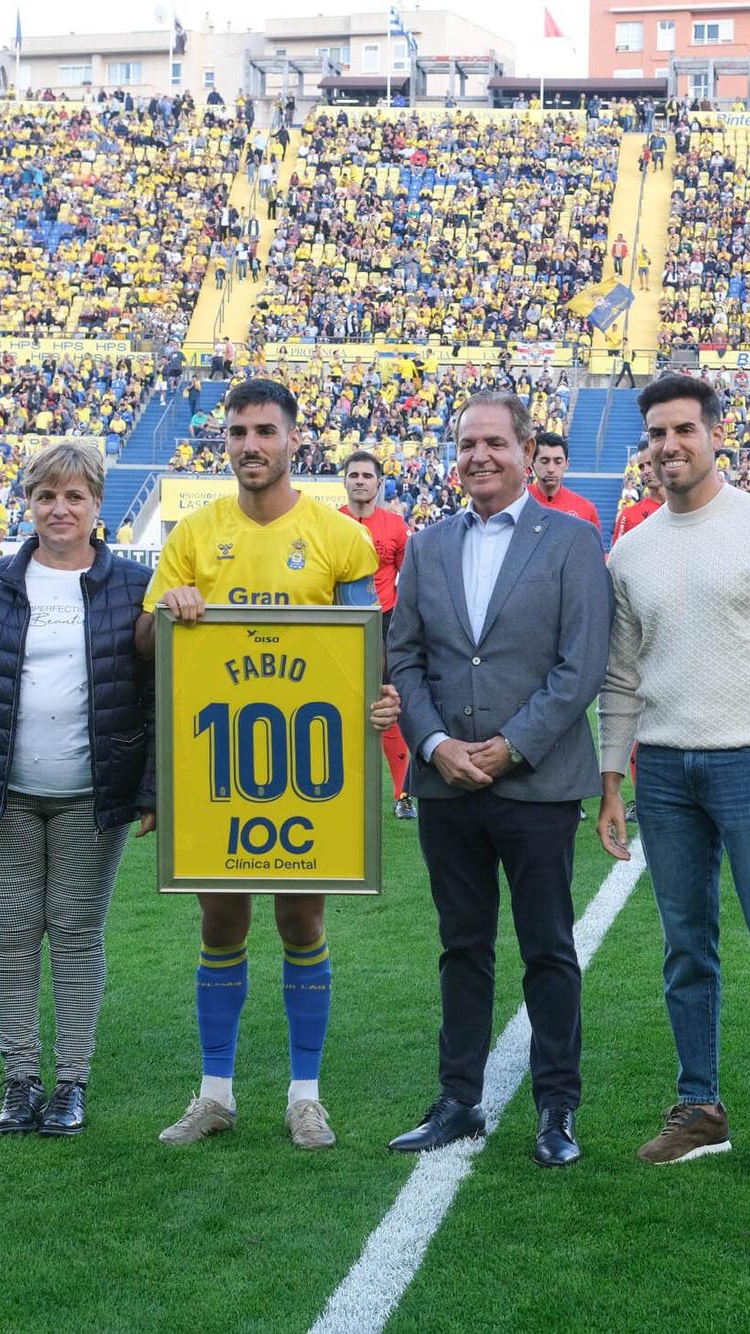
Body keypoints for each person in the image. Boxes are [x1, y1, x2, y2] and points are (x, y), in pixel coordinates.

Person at [595, 374, 750, 1188]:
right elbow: (622, 680)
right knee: (685, 949)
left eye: (683, 431)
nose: (668, 446)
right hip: (663, 770)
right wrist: (611, 781)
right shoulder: (631, 549)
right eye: (656, 434)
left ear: (715, 435)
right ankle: (699, 1107)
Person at [134, 378, 382, 1153]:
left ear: (294, 441)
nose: (249, 445)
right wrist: (168, 617)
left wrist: (378, 701)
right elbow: (143, 642)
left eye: (264, 432)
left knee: (302, 917)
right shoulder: (193, 535)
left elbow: (368, 646)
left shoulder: (342, 538)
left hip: (310, 766)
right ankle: (215, 1094)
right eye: (238, 432)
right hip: (219, 764)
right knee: (221, 918)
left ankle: (305, 1097)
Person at [372, 391, 612, 1168]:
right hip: (447, 785)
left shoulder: (573, 540)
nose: (478, 456)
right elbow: (403, 656)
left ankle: (556, 1108)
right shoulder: (428, 544)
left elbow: (581, 665)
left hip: (535, 784)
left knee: (548, 947)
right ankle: (458, 1098)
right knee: (462, 945)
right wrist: (436, 743)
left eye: (494, 444)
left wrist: (510, 746)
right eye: (466, 443)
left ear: (523, 448)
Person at [0, 442, 156, 1139]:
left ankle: (72, 1084)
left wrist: (150, 791)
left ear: (96, 506)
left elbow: (157, 700)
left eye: (75, 496)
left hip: (94, 794)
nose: (60, 509)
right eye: (47, 496)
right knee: (12, 934)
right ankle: (20, 1078)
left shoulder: (132, 586)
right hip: (4, 793)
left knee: (79, 933)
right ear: (28, 503)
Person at [338, 449, 416, 821]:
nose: (360, 481)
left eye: (367, 476)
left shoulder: (396, 526)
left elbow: (410, 578)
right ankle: (340, 786)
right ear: (345, 481)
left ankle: (403, 794)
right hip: (339, 624)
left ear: (379, 483)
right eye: (354, 475)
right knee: (340, 704)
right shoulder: (329, 523)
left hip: (385, 621)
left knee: (390, 704)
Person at [528, 432, 602, 538]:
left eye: (558, 462)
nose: (551, 469)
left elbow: (594, 552)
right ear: (532, 463)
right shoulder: (516, 502)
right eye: (544, 461)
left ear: (567, 464)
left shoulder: (586, 509)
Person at [610, 455, 664, 546]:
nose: (646, 471)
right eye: (642, 467)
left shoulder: (686, 509)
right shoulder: (628, 515)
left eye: (651, 464)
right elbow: (617, 555)